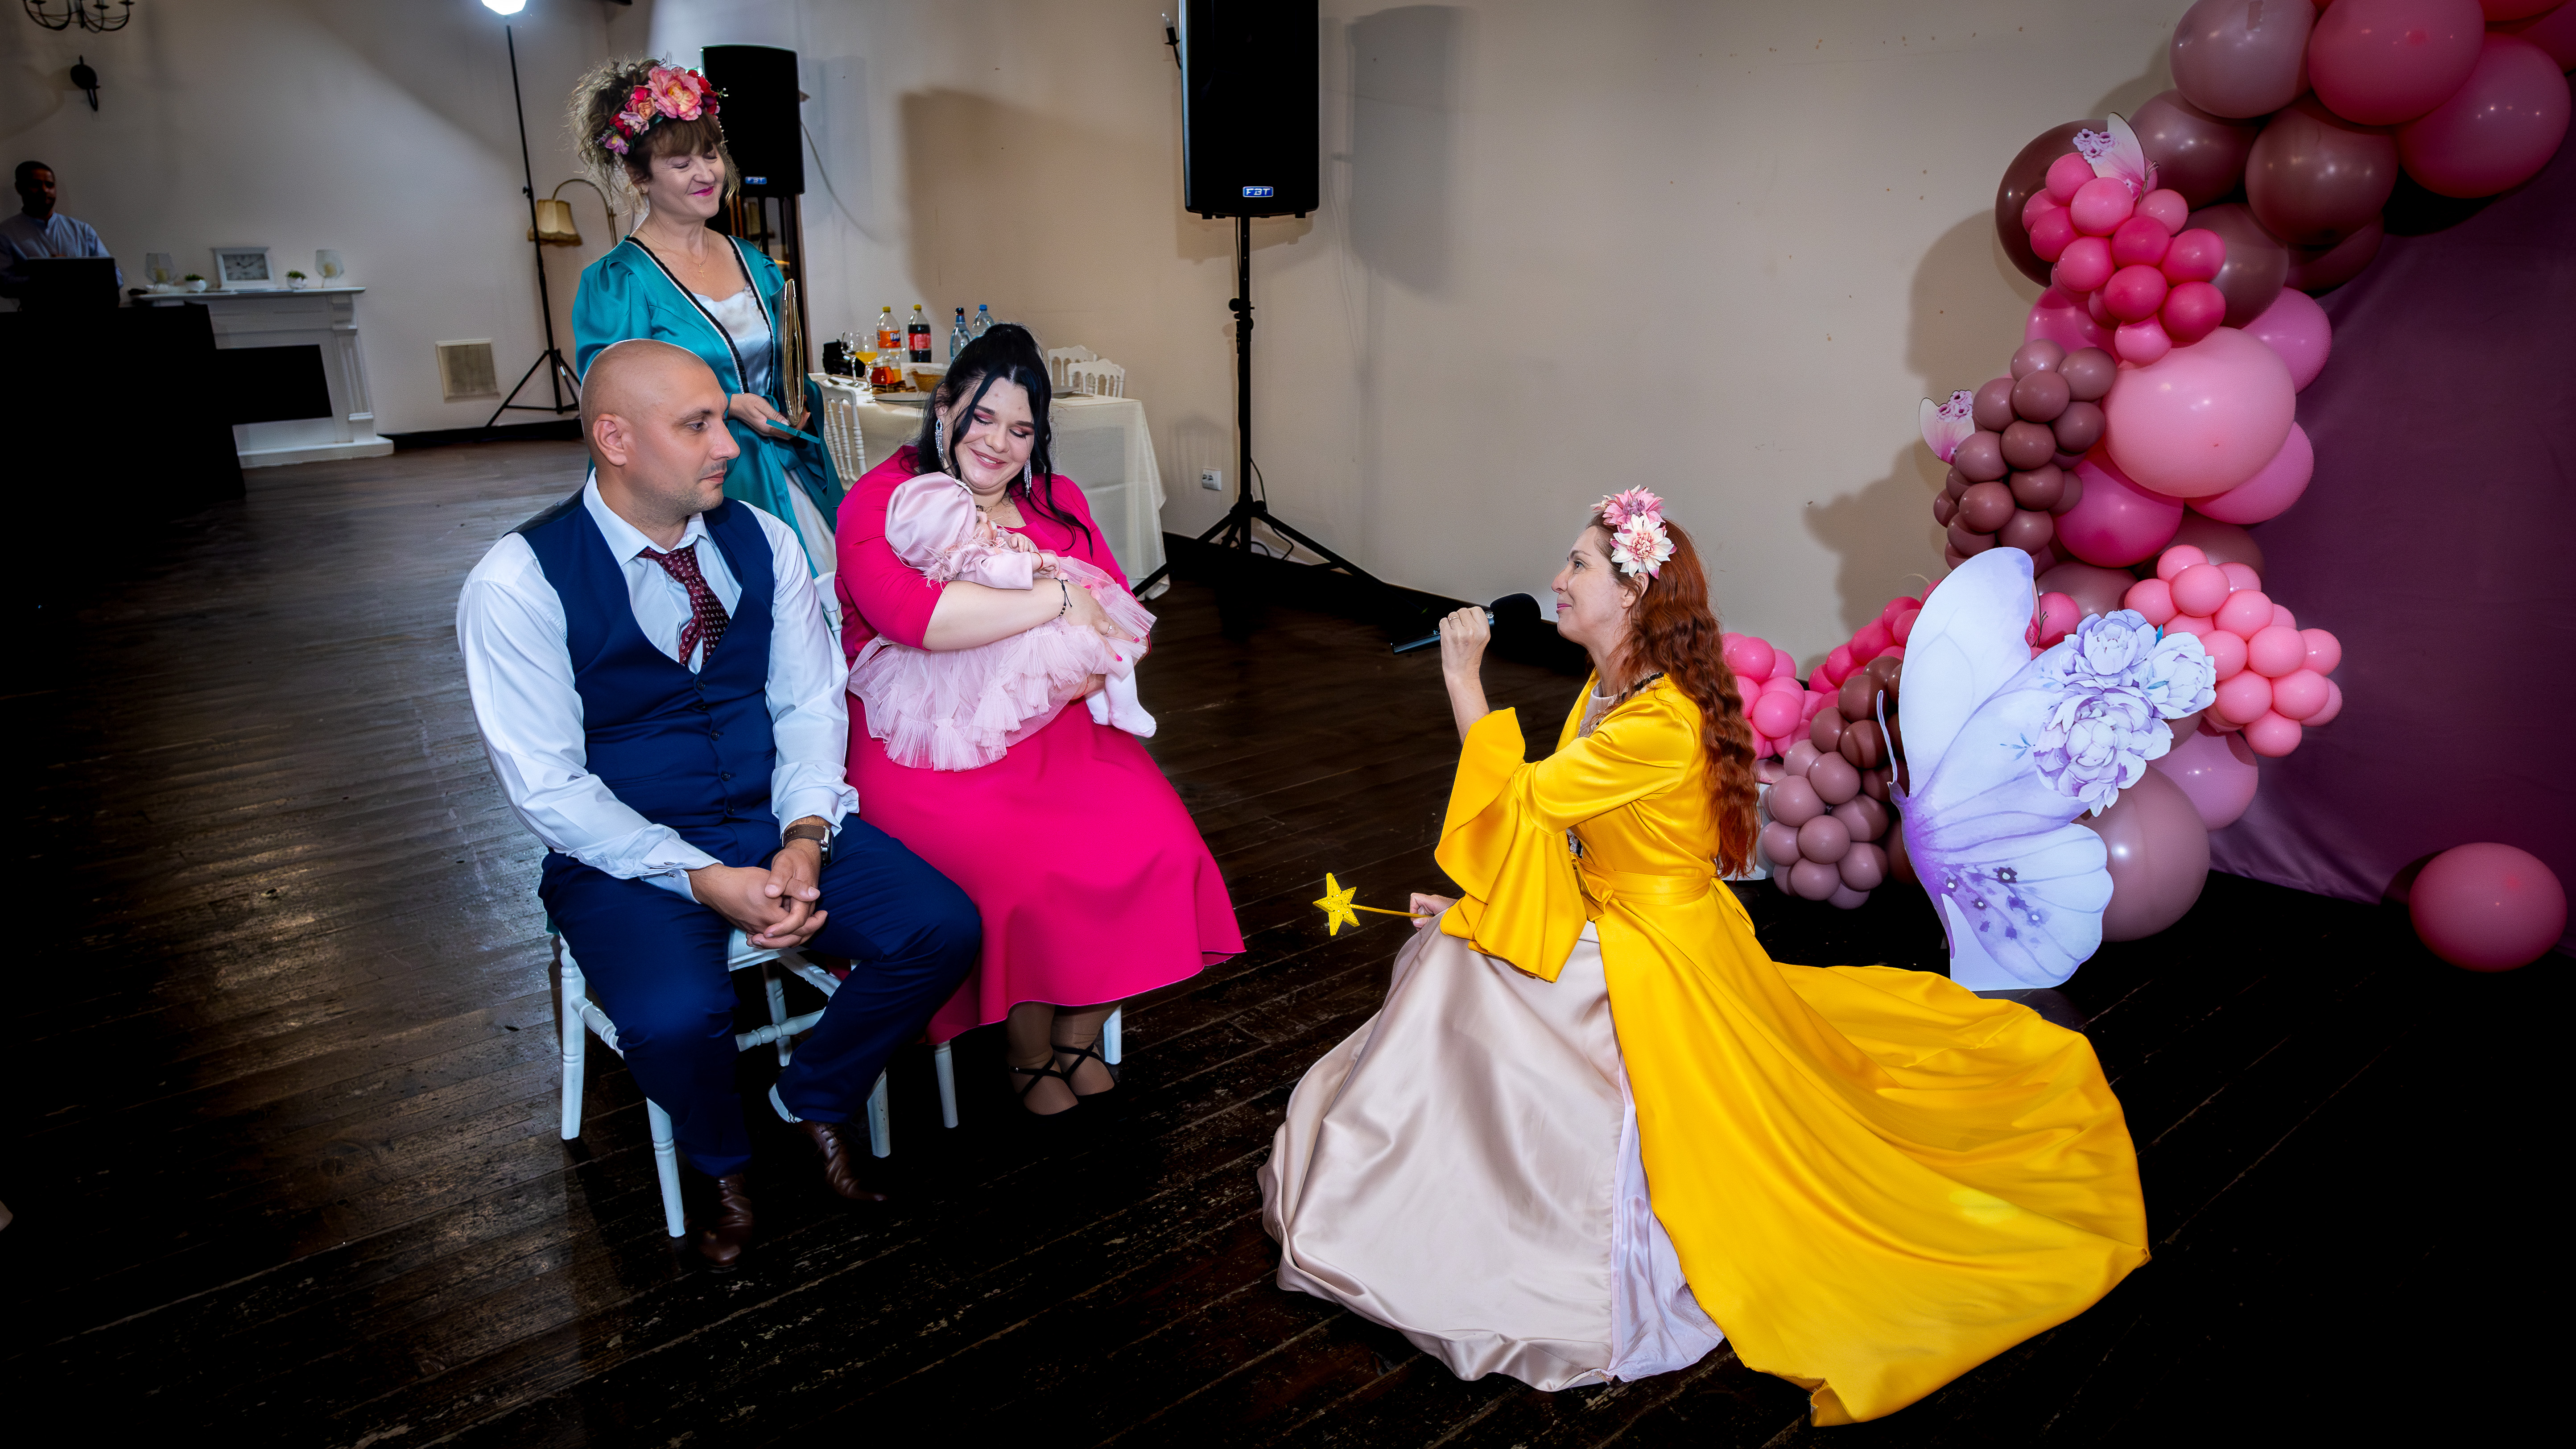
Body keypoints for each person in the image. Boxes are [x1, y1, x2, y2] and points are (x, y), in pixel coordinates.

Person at [1260, 489, 2149, 1424]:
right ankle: (1424, 1184)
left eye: (1578, 565)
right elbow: (1564, 839)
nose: (1556, 579)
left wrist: (1460, 676)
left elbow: (1522, 803)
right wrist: (1481, 903)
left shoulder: (1656, 721)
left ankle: (1449, 1204)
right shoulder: (1609, 691)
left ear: (1632, 597)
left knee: (1458, 968)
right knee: (1455, 948)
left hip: (1658, 945)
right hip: (1617, 914)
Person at [458, 339, 979, 1269]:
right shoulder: (518, 581)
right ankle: (723, 1163)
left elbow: (808, 706)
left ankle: (811, 1096)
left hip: (772, 814)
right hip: (622, 852)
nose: (730, 444)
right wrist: (700, 876)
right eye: (696, 424)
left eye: (721, 419)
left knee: (941, 927)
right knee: (672, 1016)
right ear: (615, 438)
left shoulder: (764, 541)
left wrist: (805, 836)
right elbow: (548, 785)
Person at [834, 323, 1243, 1116]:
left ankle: (1077, 1035)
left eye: (1020, 431)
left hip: (1060, 722)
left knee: (1164, 851)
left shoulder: (1061, 501)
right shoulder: (887, 499)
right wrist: (1058, 597)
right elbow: (911, 618)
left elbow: (1124, 618)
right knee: (1021, 876)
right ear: (944, 408)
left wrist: (1093, 650)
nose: (997, 444)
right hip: (921, 739)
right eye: (982, 418)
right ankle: (1025, 1052)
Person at [566, 59, 840, 575]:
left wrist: (797, 407)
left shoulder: (755, 263)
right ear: (638, 176)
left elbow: (784, 368)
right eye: (681, 163)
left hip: (783, 470)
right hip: (695, 488)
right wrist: (730, 405)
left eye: (710, 154)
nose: (706, 173)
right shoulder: (620, 282)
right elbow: (617, 409)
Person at [846, 467, 1158, 770]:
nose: (987, 519)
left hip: (1011, 629)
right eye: (977, 520)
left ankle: (1101, 706)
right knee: (1113, 653)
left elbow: (999, 554)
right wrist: (1037, 560)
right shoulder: (976, 559)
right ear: (956, 542)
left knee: (1096, 658)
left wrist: (1014, 543)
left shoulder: (964, 554)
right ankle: (1126, 708)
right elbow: (1002, 572)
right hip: (1027, 631)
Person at [1, 161, 118, 298]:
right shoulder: (6, 233)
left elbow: (116, 277)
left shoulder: (82, 230)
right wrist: (49, 275)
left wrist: (72, 272)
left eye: (50, 185)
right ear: (19, 188)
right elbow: (3, 285)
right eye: (36, 184)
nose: (45, 190)